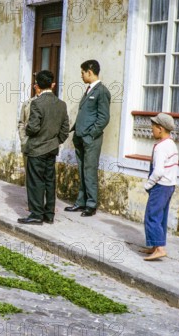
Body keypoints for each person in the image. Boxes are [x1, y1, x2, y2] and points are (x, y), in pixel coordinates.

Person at [17, 70, 69, 225]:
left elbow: (33, 128)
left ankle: (36, 214)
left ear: (38, 85)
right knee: (49, 181)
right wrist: (55, 141)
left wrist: (27, 131)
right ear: (52, 84)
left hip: (36, 149)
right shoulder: (61, 104)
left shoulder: (37, 103)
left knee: (35, 182)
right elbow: (65, 129)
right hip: (52, 149)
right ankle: (49, 214)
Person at [65, 59, 111, 217]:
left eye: (83, 72)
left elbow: (104, 118)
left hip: (91, 139)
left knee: (89, 171)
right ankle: (81, 202)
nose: (81, 76)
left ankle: (91, 205)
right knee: (82, 170)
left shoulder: (102, 91)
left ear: (90, 72)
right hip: (81, 138)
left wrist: (91, 134)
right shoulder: (89, 90)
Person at [140, 113, 179, 261]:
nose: (151, 129)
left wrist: (148, 184)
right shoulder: (172, 144)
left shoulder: (161, 147)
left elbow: (158, 171)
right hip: (169, 185)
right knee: (160, 217)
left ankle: (160, 249)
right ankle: (155, 246)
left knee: (151, 216)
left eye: (153, 127)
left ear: (160, 129)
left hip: (160, 185)